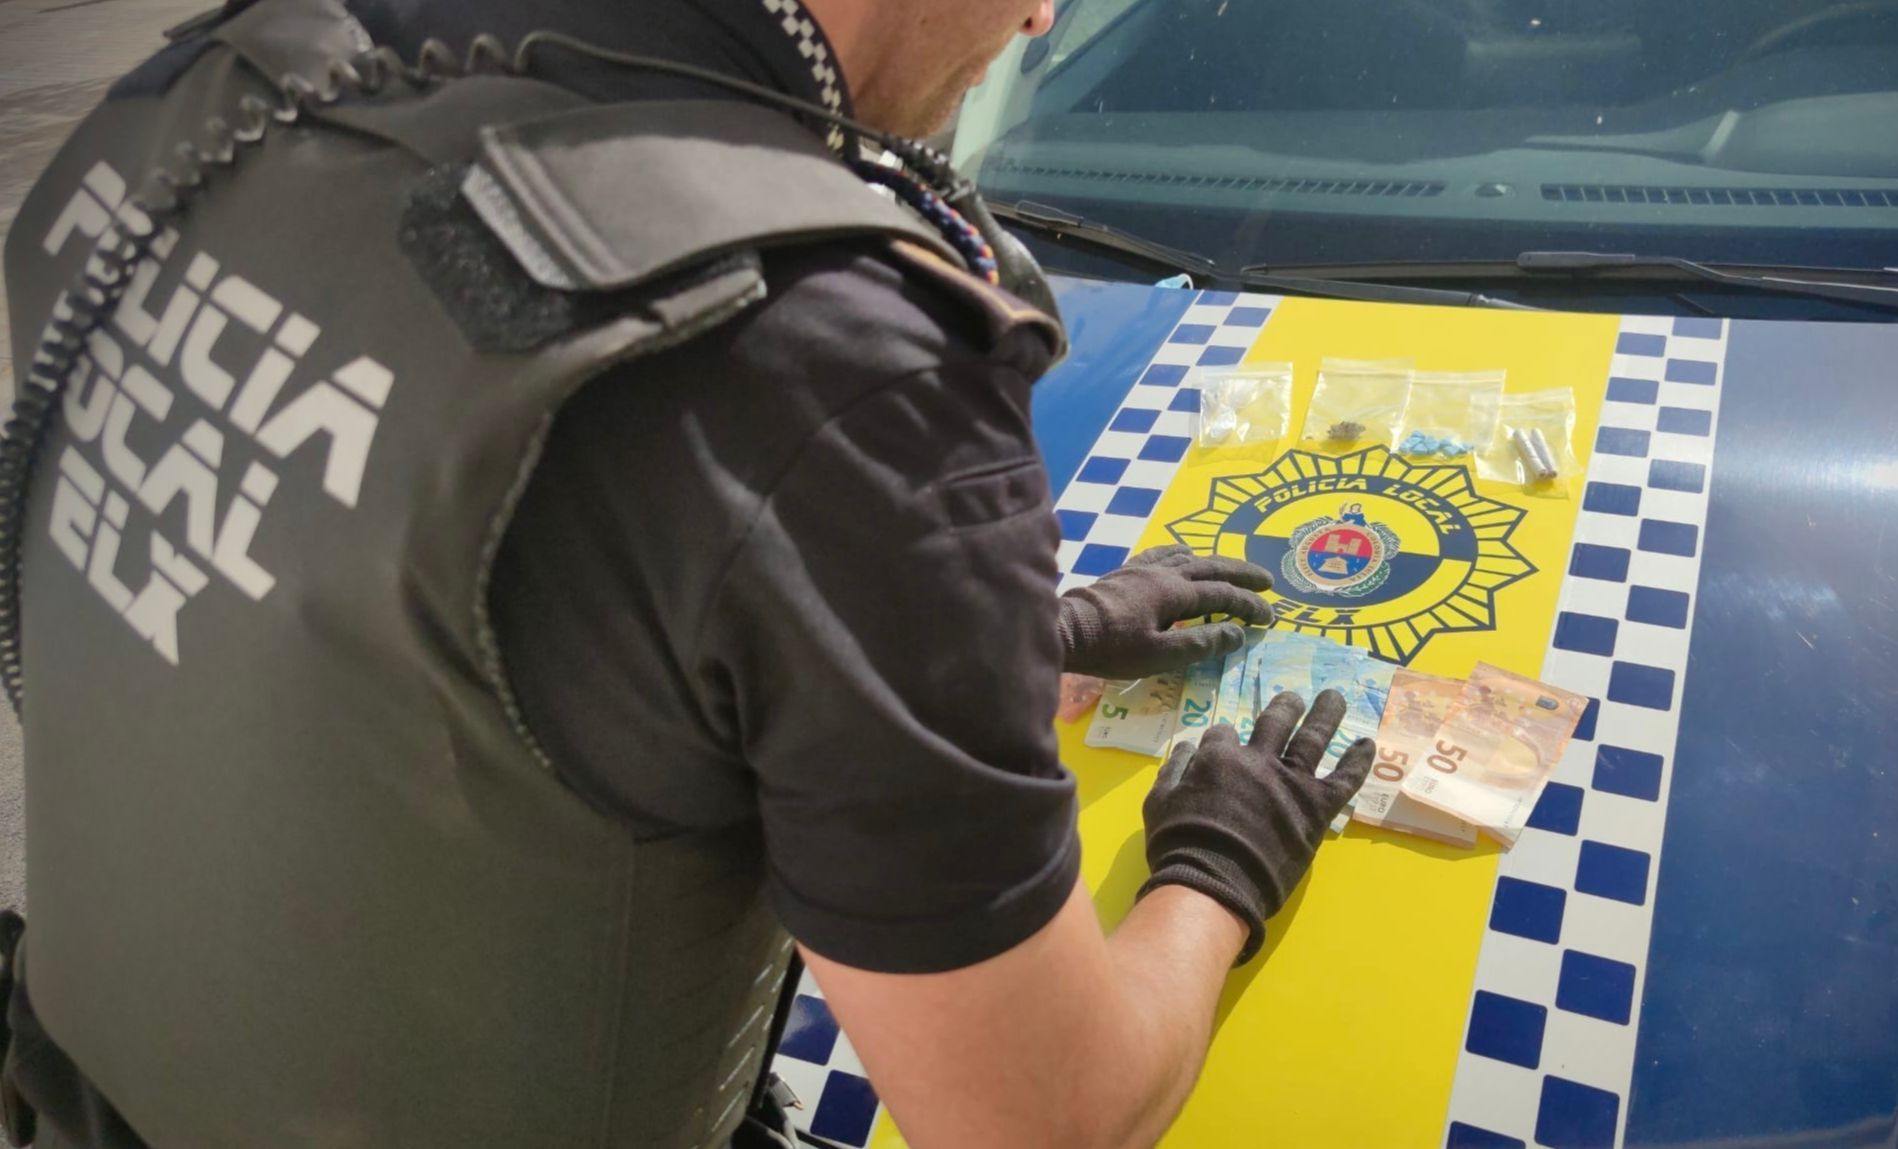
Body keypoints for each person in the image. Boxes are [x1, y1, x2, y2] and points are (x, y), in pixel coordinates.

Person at [0, 1, 1373, 1146]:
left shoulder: (203, 94)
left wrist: (1025, 633)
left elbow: (407, 629)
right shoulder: (821, 354)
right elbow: (1044, 1112)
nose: (1039, 18)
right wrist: (1222, 857)